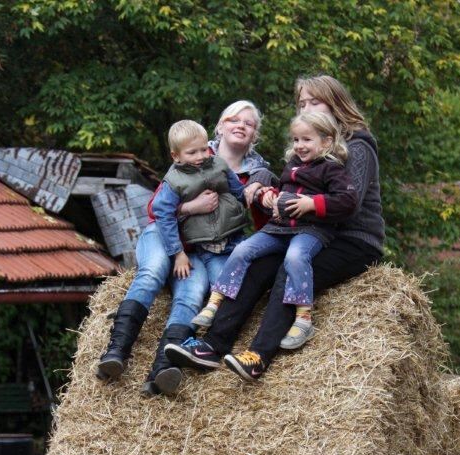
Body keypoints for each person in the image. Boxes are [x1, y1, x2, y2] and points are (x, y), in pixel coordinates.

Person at [165, 75, 385, 382]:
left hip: (351, 238)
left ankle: (258, 355)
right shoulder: (305, 145)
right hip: (304, 231)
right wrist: (263, 184)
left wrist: (296, 202)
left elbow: (350, 205)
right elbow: (285, 180)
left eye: (314, 101)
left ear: (335, 103)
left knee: (289, 269)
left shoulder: (357, 146)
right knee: (255, 262)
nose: (306, 108)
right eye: (302, 103)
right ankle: (211, 346)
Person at [96, 101, 273, 395]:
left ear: (255, 134)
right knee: (153, 272)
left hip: (208, 248)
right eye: (233, 119)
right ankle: (116, 351)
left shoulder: (257, 173)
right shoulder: (189, 155)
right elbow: (156, 209)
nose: (241, 125)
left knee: (193, 294)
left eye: (249, 123)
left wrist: (264, 196)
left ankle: (162, 369)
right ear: (220, 125)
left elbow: (255, 218)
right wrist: (191, 208)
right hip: (172, 235)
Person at [192, 112, 357, 349]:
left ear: (327, 141)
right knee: (243, 250)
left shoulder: (332, 169)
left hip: (310, 230)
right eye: (296, 140)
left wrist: (312, 203)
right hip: (279, 228)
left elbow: (347, 200)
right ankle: (215, 301)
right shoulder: (292, 165)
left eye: (306, 140)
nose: (299, 145)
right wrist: (270, 195)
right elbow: (283, 189)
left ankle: (303, 318)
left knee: (295, 258)